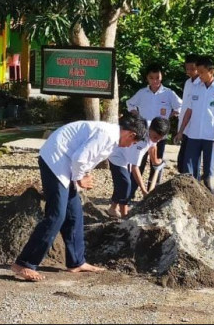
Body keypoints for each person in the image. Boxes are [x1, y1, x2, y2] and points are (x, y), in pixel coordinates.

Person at [11, 113, 147, 281]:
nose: (129, 146)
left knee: (74, 214)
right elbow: (80, 158)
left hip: (66, 165)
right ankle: (24, 263)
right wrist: (80, 178)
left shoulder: (111, 138)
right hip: (55, 161)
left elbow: (87, 159)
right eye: (133, 142)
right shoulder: (107, 134)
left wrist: (82, 175)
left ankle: (76, 262)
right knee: (56, 215)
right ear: (131, 134)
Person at [175, 55, 214, 195]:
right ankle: (189, 196)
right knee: (188, 168)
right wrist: (181, 131)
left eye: (201, 72)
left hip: (210, 136)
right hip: (193, 134)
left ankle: (210, 198)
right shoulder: (196, 88)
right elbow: (189, 111)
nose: (198, 75)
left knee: (208, 172)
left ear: (211, 71)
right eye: (197, 72)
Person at [126, 63, 182, 187]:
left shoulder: (168, 93)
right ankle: (132, 191)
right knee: (138, 161)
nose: (155, 80)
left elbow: (180, 106)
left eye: (157, 77)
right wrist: (137, 115)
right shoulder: (142, 93)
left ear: (162, 77)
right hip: (143, 132)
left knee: (156, 162)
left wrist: (171, 115)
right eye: (152, 78)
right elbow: (130, 104)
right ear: (147, 78)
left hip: (160, 133)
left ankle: (153, 190)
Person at [107, 117, 170, 218]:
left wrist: (156, 161)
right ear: (150, 129)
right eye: (155, 137)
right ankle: (125, 217)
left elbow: (153, 145)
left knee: (121, 183)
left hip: (127, 154)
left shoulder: (153, 126)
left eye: (159, 138)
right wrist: (144, 190)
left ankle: (113, 209)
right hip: (117, 154)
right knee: (126, 184)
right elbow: (134, 168)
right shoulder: (141, 143)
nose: (156, 140)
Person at [177, 54, 201, 173]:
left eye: (192, 69)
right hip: (184, 126)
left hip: (195, 128)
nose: (189, 71)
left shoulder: (201, 84)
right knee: (181, 160)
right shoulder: (188, 83)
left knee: (191, 160)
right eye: (187, 69)